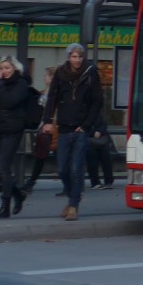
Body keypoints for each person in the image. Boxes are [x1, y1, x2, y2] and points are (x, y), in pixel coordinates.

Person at [40, 43, 104, 222]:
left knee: (76, 168)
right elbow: (52, 97)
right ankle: (71, 196)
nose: (77, 60)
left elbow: (97, 101)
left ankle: (74, 205)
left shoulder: (90, 73)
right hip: (64, 127)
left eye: (80, 57)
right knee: (62, 169)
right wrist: (47, 121)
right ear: (69, 57)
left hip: (81, 128)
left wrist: (87, 124)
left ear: (83, 58)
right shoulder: (61, 73)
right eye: (74, 56)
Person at [0, 56, 31, 219]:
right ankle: (18, 194)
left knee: (4, 167)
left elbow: (9, 102)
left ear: (15, 68)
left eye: (7, 68)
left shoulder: (21, 83)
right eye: (2, 68)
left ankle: (5, 205)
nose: (4, 71)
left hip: (13, 129)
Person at [22, 67, 55, 195]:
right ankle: (31, 181)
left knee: (43, 155)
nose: (43, 78)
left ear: (52, 77)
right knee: (40, 155)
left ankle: (31, 181)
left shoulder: (55, 92)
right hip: (43, 127)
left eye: (46, 75)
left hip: (52, 127)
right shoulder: (44, 92)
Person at [85, 115, 115, 190]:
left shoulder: (97, 113)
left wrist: (99, 131)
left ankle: (108, 181)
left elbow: (103, 124)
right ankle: (95, 182)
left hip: (100, 139)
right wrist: (93, 132)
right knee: (92, 162)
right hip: (90, 140)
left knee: (106, 161)